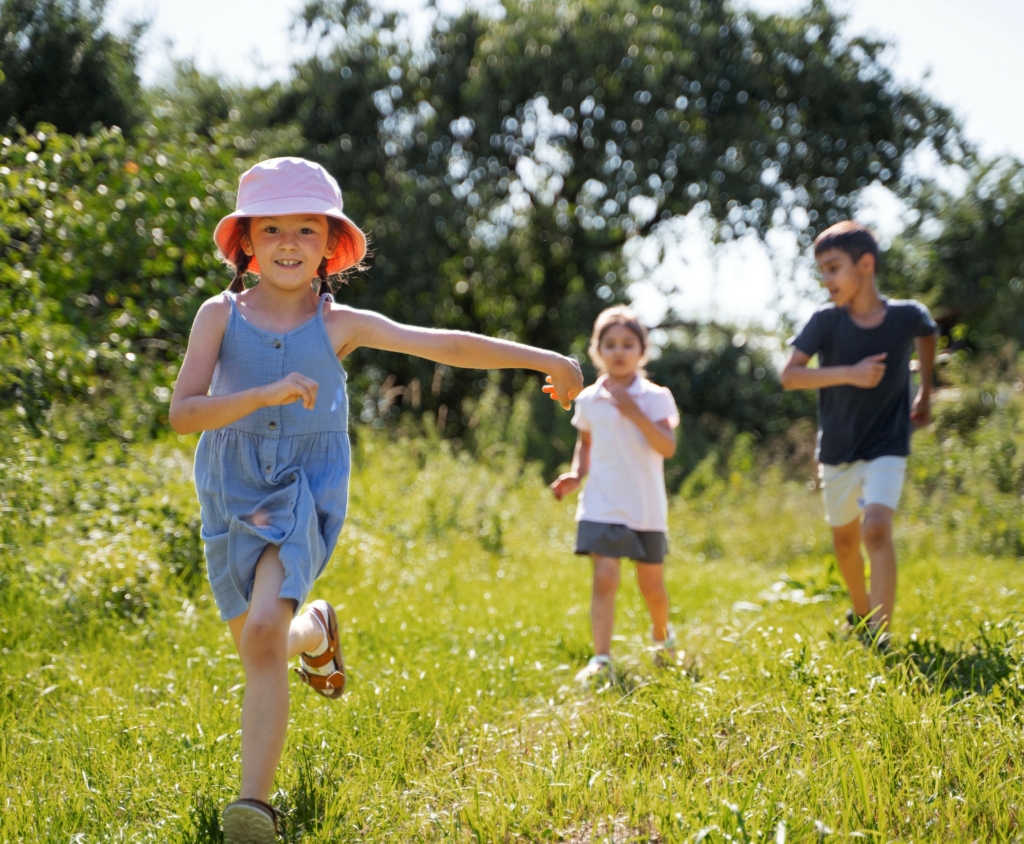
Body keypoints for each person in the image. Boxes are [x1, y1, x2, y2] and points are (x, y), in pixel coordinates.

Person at [168, 157, 583, 843]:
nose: (289, 242)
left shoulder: (340, 324)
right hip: (231, 489)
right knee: (258, 640)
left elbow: (442, 344)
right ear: (246, 241)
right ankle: (320, 630)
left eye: (307, 228)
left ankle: (252, 806)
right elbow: (184, 414)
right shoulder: (219, 315)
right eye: (272, 229)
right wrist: (260, 396)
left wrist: (545, 359)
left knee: (264, 635)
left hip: (302, 489)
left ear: (331, 244)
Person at [781, 221, 937, 652]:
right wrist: (849, 374)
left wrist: (926, 387)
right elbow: (790, 375)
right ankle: (863, 612)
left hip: (887, 443)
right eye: (822, 271)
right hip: (837, 450)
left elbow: (928, 334)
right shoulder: (825, 322)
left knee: (876, 529)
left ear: (865, 265)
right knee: (846, 542)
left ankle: (880, 635)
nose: (826, 279)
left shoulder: (906, 316)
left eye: (834, 268)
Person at [550, 306, 680, 683]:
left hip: (645, 508)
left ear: (642, 350)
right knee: (605, 577)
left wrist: (633, 410)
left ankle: (662, 637)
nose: (619, 351)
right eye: (610, 344)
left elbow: (667, 446)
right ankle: (601, 658)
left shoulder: (656, 397)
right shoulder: (589, 399)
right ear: (597, 351)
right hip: (601, 504)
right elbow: (586, 442)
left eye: (628, 344)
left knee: (651, 587)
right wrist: (576, 474)